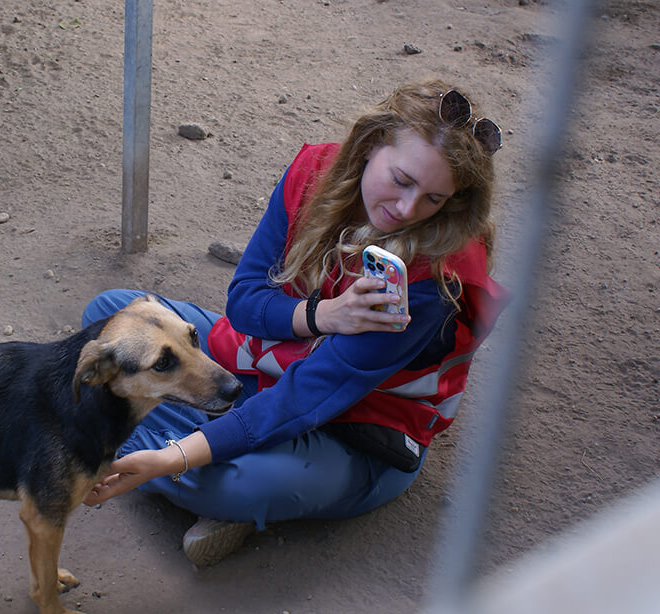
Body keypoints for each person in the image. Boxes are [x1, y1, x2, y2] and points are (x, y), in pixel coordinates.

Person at [81, 79, 510, 566]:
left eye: (434, 199)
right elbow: (245, 300)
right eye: (401, 179)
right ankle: (216, 448)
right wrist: (323, 315)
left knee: (232, 483)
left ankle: (181, 455)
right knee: (112, 318)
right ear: (371, 144)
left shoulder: (437, 277)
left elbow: (309, 395)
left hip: (357, 428)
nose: (407, 209)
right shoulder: (314, 173)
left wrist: (172, 457)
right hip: (272, 359)